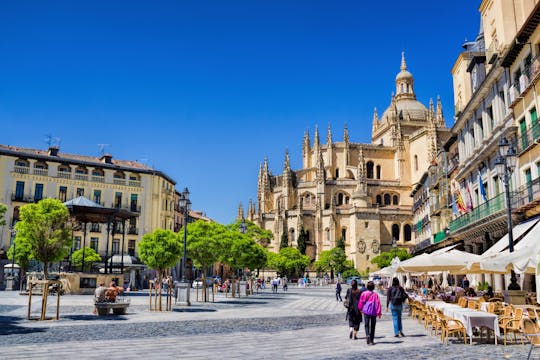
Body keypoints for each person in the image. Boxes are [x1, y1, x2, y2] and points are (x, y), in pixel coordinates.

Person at [358, 281, 382, 345]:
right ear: (373, 287)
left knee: (366, 324)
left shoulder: (364, 293)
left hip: (366, 311)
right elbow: (378, 304)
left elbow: (361, 302)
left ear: (367, 287)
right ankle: (371, 340)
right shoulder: (375, 295)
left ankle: (367, 335)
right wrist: (379, 312)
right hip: (373, 311)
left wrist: (360, 309)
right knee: (373, 326)